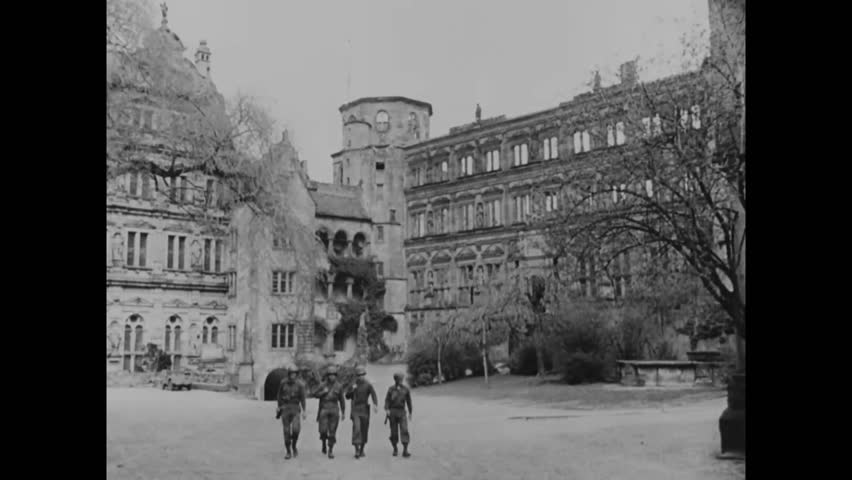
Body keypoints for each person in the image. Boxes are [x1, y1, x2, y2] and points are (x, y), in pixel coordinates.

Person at [312, 366, 346, 459]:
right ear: (327, 376)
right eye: (330, 375)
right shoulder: (323, 385)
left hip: (334, 409)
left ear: (336, 376)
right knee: (323, 430)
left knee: (332, 431)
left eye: (333, 375)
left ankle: (330, 449)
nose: (332, 377)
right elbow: (314, 394)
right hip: (324, 409)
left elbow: (342, 400)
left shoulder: (339, 386)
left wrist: (343, 412)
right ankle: (323, 442)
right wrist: (323, 392)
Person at [345, 365, 378, 459]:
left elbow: (373, 394)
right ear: (356, 376)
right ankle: (356, 449)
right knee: (357, 428)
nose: (361, 376)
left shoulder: (368, 384)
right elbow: (347, 396)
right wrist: (352, 390)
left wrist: (375, 404)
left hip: (364, 409)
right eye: (359, 375)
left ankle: (362, 448)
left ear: (365, 375)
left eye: (362, 374)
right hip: (355, 409)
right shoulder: (353, 384)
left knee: (364, 429)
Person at [276, 365, 307, 459]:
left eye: (295, 374)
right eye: (291, 374)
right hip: (285, 408)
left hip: (295, 408)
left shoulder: (300, 385)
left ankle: (294, 445)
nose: (293, 376)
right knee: (286, 431)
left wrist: (304, 410)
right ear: (289, 374)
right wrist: (279, 407)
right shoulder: (283, 383)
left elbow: (303, 398)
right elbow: (279, 395)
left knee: (296, 429)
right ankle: (288, 451)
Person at [384, 372, 413, 458]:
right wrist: (387, 409)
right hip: (392, 412)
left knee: (404, 429)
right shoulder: (391, 389)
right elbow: (387, 400)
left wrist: (410, 412)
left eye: (401, 379)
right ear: (395, 380)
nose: (400, 381)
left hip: (402, 412)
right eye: (398, 379)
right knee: (394, 432)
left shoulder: (406, 389)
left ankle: (405, 450)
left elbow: (409, 401)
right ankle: (395, 448)